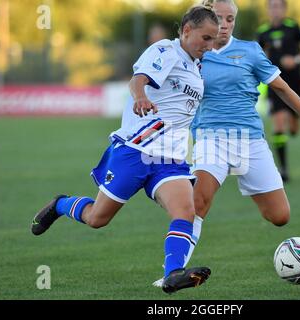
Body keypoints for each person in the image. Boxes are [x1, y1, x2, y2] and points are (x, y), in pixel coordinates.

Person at [31, 4, 220, 294]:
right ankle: (60, 204)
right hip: (135, 150)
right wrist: (141, 97)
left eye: (214, 40)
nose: (209, 46)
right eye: (205, 38)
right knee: (97, 219)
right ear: (186, 30)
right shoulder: (166, 51)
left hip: (169, 158)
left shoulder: (197, 67)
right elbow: (138, 79)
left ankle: (173, 275)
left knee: (186, 210)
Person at [152, 0, 300, 287]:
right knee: (197, 203)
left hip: (250, 141)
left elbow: (282, 88)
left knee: (280, 216)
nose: (224, 25)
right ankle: (173, 272)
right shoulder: (194, 54)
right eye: (218, 18)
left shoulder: (250, 51)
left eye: (230, 19)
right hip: (210, 138)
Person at [257, 0, 300, 182]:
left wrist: (297, 59)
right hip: (275, 83)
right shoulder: (262, 32)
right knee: (278, 123)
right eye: (272, 7)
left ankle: (295, 119)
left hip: (295, 82)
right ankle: (283, 169)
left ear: (284, 9)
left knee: (293, 129)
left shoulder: (294, 27)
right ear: (268, 10)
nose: (275, 10)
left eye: (278, 7)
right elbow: (257, 55)